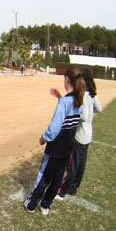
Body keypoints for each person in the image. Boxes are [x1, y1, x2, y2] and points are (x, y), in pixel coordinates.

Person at [24, 65, 86, 216]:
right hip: (67, 148)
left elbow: (54, 128)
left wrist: (44, 137)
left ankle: (32, 204)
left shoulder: (64, 102)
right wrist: (60, 98)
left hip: (55, 149)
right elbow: (69, 117)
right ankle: (46, 205)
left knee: (45, 176)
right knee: (57, 178)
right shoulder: (78, 100)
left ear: (67, 79)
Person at [55, 67, 103, 200]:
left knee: (72, 165)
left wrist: (74, 113)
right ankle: (73, 189)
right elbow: (99, 109)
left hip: (79, 135)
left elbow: (85, 116)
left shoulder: (83, 95)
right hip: (88, 134)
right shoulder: (92, 94)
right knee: (81, 164)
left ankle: (61, 192)